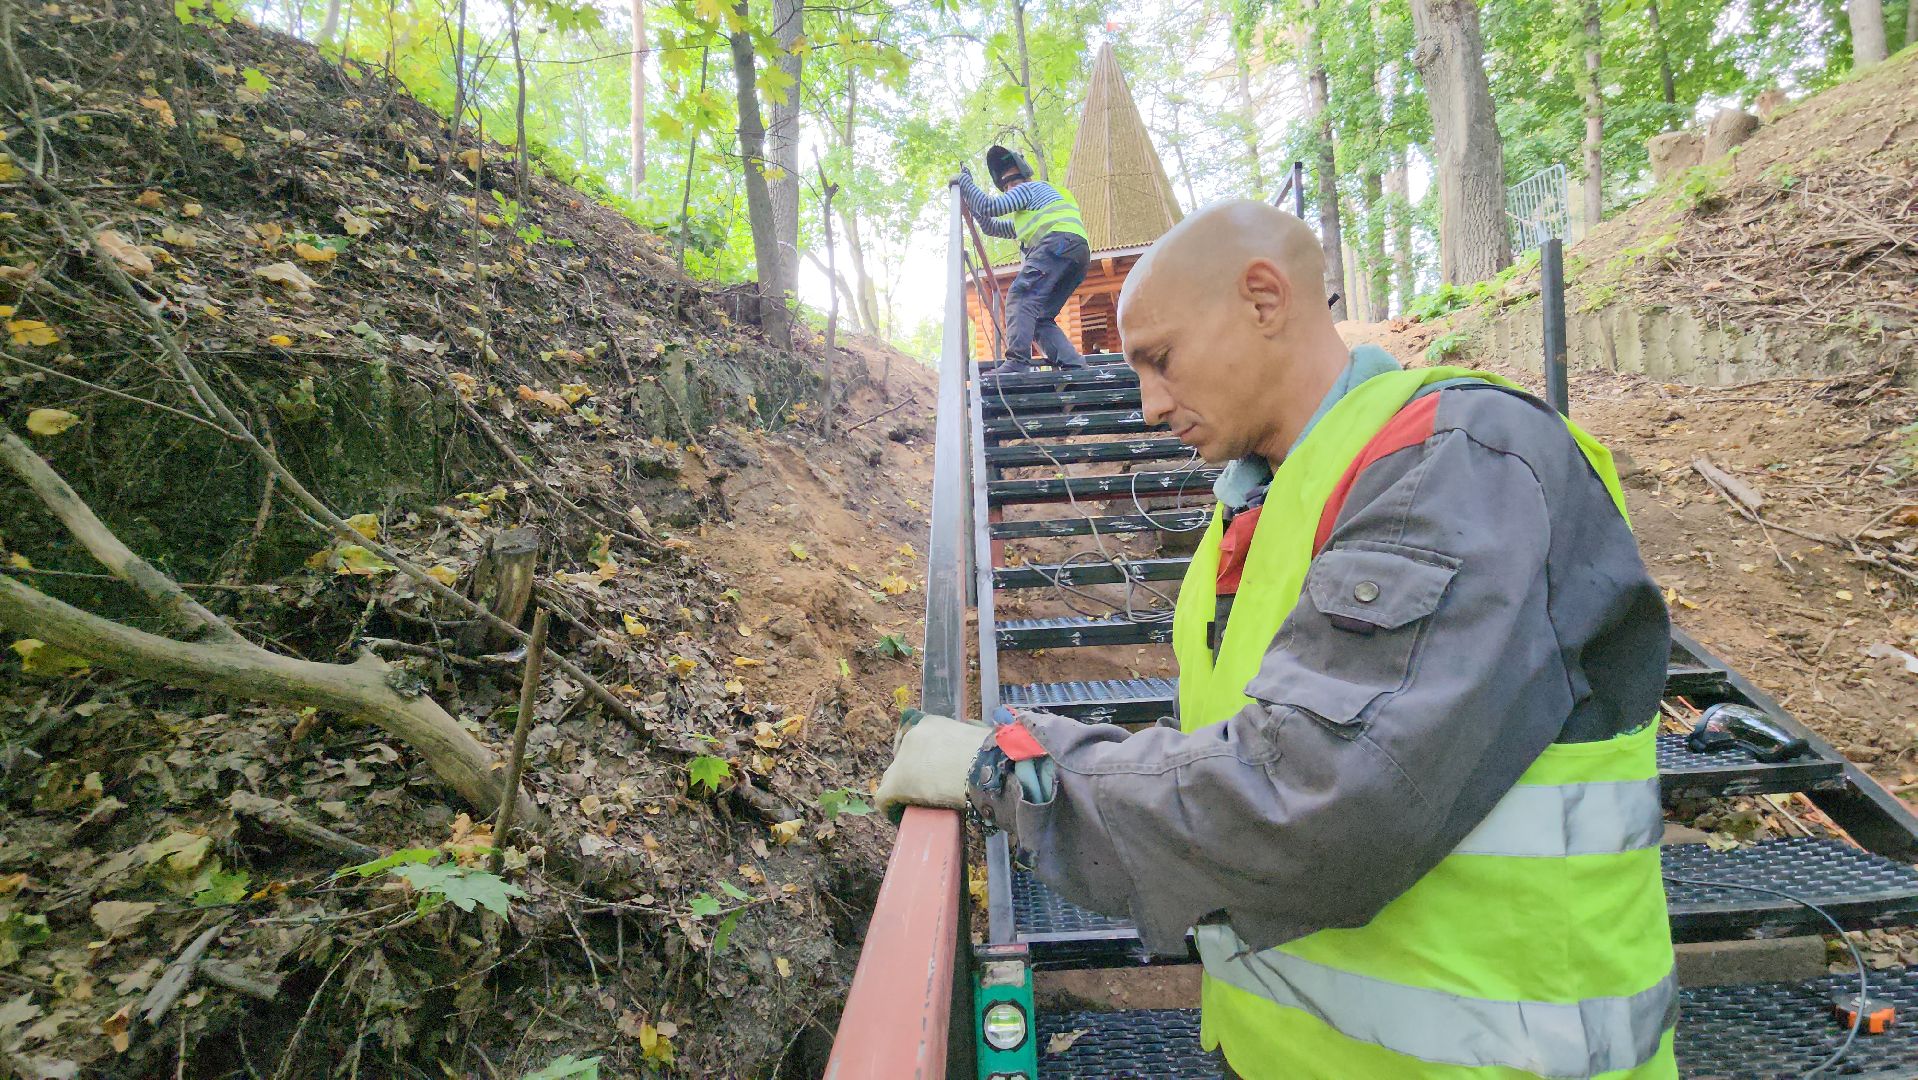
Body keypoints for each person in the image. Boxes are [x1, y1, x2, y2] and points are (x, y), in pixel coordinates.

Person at [877, 200, 1680, 1078]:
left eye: (1161, 359)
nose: (1147, 406)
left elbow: (1314, 798)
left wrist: (1012, 770)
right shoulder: (1265, 506)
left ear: (1264, 299)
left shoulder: (1464, 461)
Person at [956, 145, 1091, 373]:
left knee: (1020, 295)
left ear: (1024, 177)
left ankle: (1018, 361)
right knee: (1039, 317)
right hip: (1075, 252)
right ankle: (1074, 367)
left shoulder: (1031, 188)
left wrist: (965, 183)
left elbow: (990, 206)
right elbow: (991, 227)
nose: (1010, 189)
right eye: (1005, 187)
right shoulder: (1033, 212)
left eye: (1012, 182)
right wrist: (971, 203)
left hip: (1058, 242)